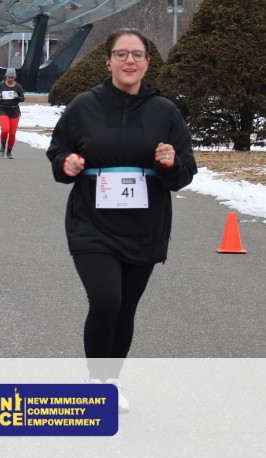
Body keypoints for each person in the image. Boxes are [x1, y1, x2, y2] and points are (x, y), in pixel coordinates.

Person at [45, 28, 196, 413]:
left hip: (145, 227)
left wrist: (169, 164)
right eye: (121, 54)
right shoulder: (84, 106)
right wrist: (67, 163)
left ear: (147, 62)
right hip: (92, 222)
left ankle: (111, 380)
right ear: (108, 61)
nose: (130, 60)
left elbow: (185, 172)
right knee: (106, 300)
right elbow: (58, 151)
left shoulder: (165, 112)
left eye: (137, 54)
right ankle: (95, 382)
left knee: (125, 307)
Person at [0, 68, 24, 159]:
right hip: (3, 110)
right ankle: (3, 145)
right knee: (5, 130)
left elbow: (22, 98)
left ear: (14, 78)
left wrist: (17, 97)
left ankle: (9, 151)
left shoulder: (18, 87)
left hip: (14, 111)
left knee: (12, 134)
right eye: (9, 77)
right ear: (6, 77)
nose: (10, 79)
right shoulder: (1, 85)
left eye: (12, 78)